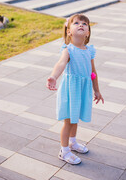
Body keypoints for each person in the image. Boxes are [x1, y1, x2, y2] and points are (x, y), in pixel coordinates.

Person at [47, 14, 104, 165]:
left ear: (88, 32)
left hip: (83, 90)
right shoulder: (68, 50)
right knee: (68, 121)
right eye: (76, 23)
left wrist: (97, 90)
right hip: (71, 91)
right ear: (68, 31)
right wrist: (54, 76)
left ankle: (73, 142)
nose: (81, 25)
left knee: (75, 118)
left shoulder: (89, 50)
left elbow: (93, 72)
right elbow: (60, 64)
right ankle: (64, 151)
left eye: (85, 24)